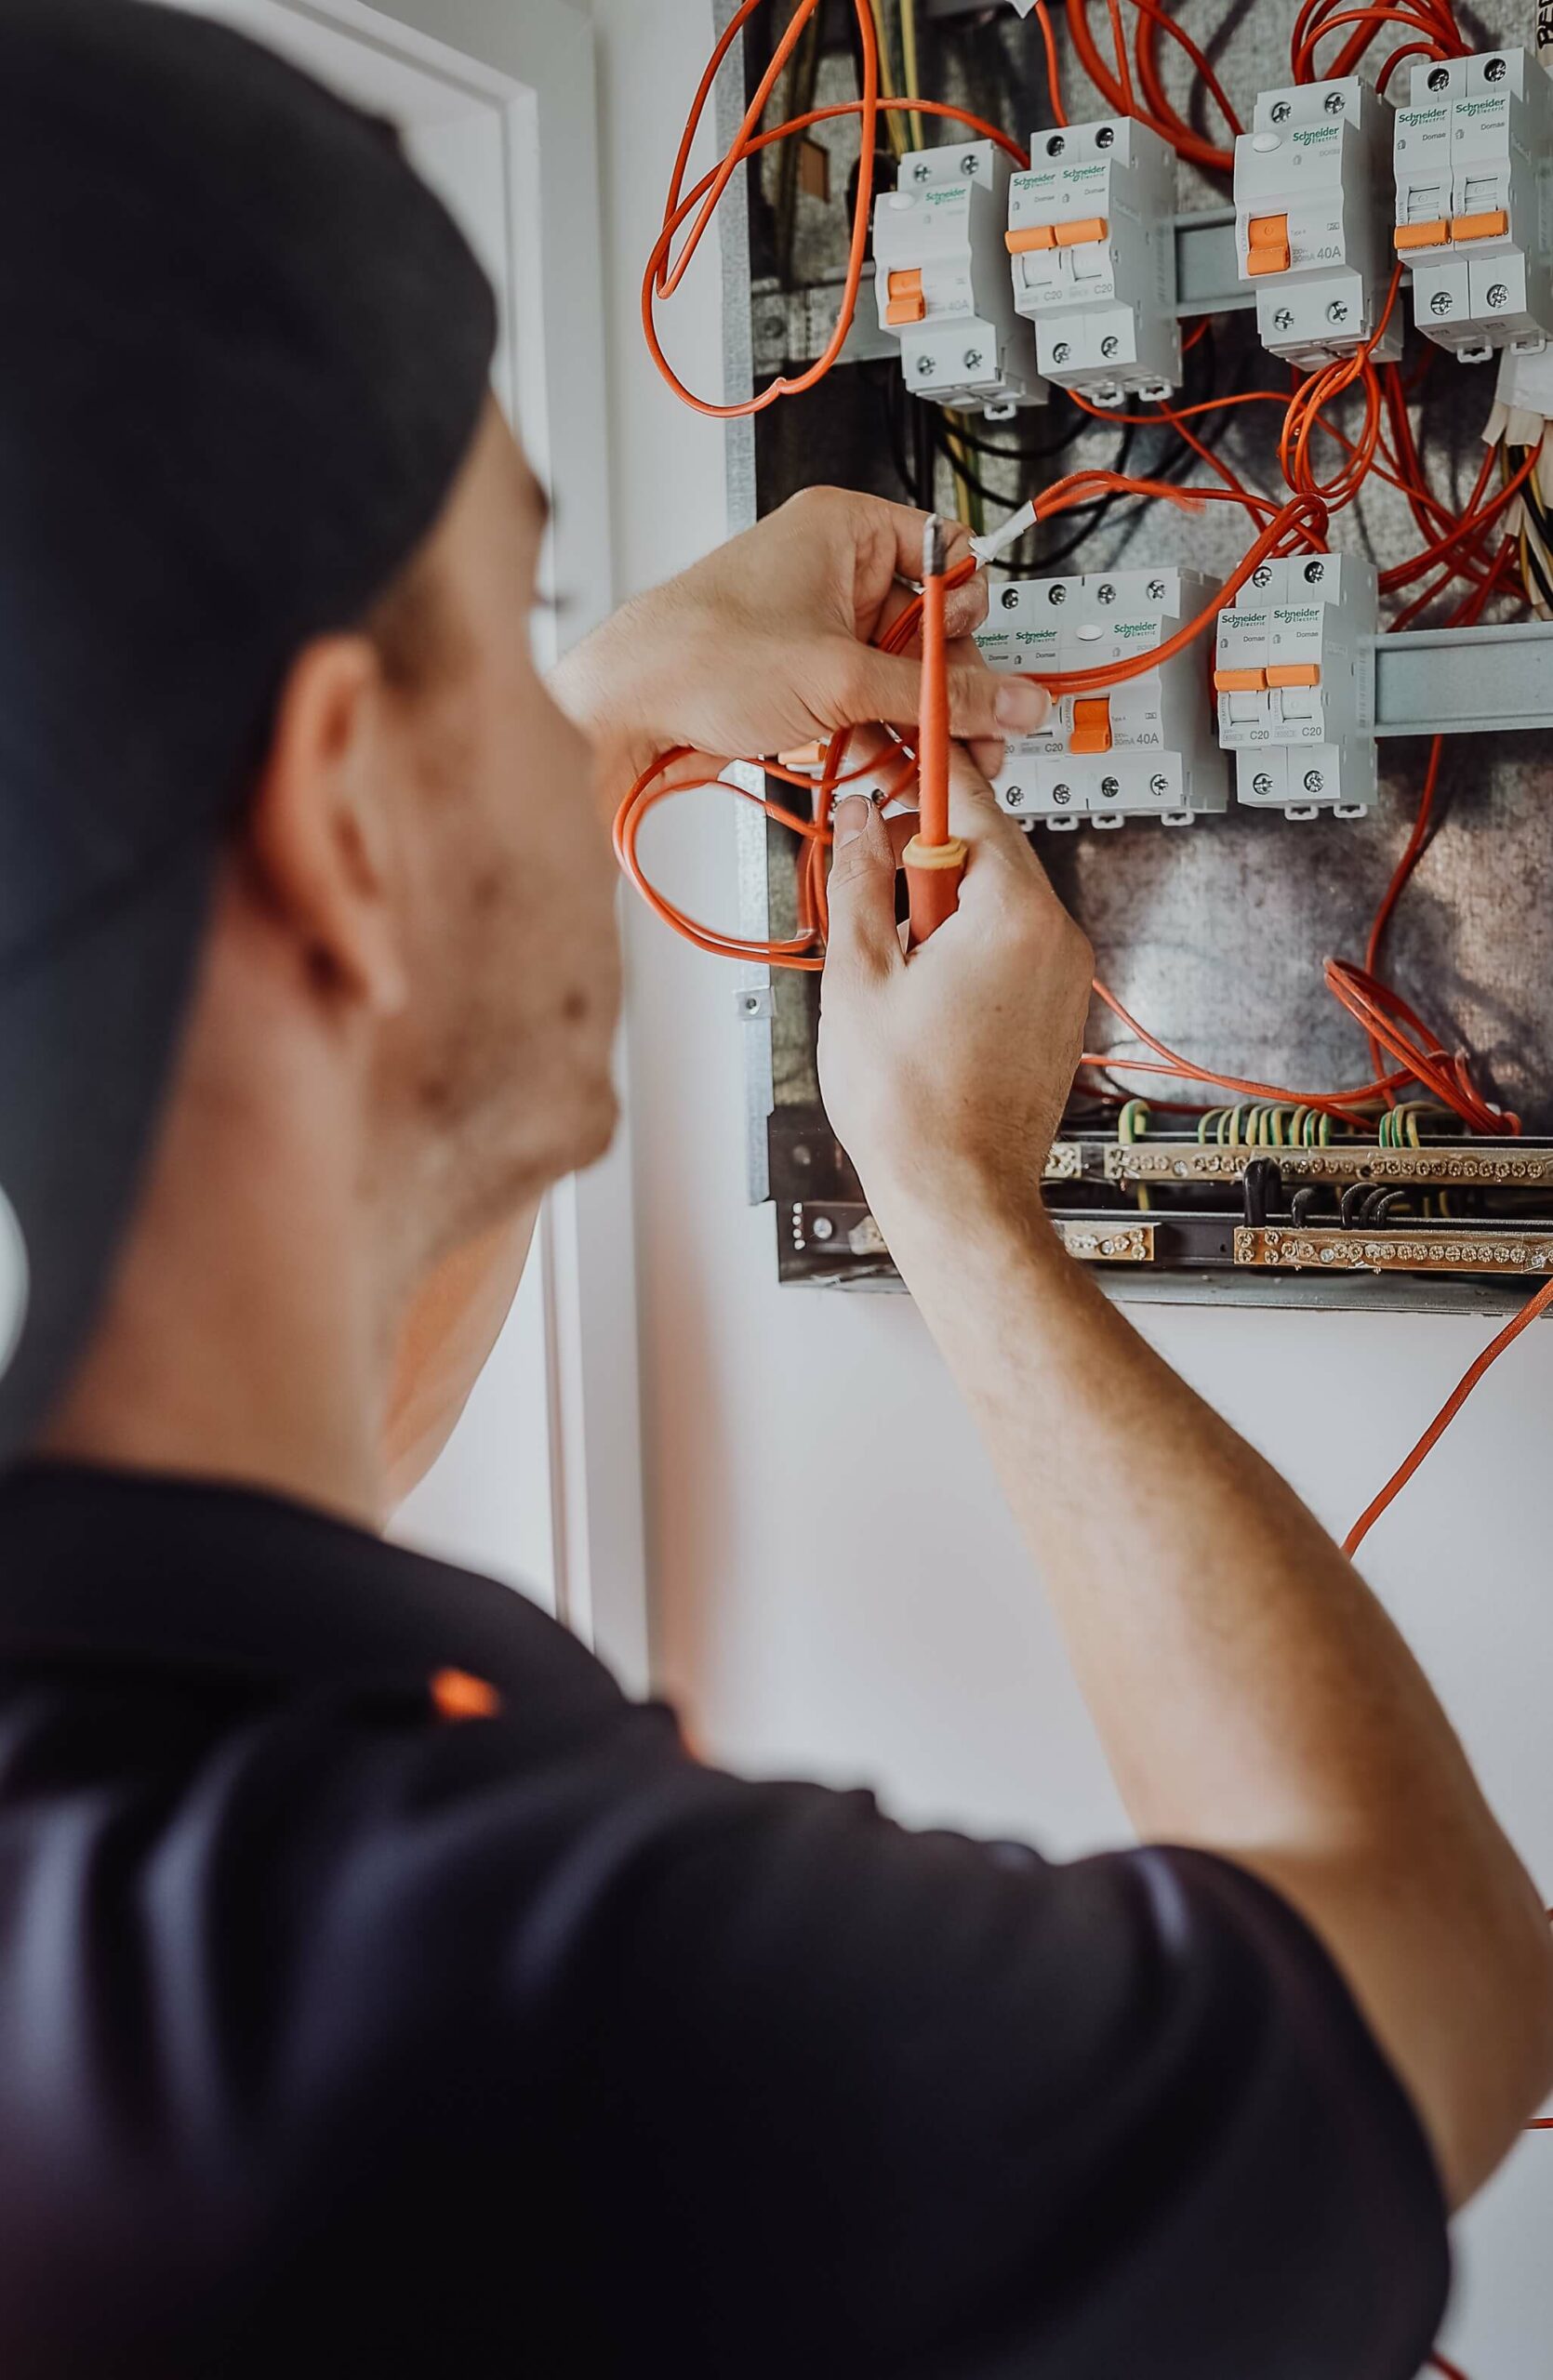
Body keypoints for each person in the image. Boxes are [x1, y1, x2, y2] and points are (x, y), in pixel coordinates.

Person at [0, 4, 1546, 2374]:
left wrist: (592, 702)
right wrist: (958, 1200)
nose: (578, 723)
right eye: (514, 636)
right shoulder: (530, 1990)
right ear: (338, 816)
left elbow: (314, 1417)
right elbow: (1430, 1984)